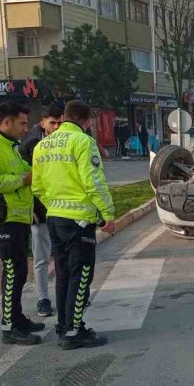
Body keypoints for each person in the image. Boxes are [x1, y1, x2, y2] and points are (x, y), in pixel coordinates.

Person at [32, 101, 116, 349]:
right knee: (81, 276)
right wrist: (107, 213)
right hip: (79, 220)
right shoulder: (83, 142)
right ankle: (74, 331)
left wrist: (54, 206)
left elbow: (37, 187)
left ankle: (64, 325)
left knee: (64, 274)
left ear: (65, 117)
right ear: (86, 120)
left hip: (55, 218)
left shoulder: (42, 145)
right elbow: (93, 182)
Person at [0, 102, 45, 345]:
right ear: (7, 122)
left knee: (20, 271)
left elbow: (28, 174)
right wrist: (21, 180)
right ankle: (9, 326)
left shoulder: (12, 147)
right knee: (13, 271)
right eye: (22, 123)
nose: (26, 128)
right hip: (2, 218)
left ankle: (16, 318)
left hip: (19, 217)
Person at [19, 104, 63, 318]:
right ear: (43, 122)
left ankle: (69, 295)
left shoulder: (68, 139)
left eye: (60, 123)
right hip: (40, 210)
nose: (56, 127)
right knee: (41, 258)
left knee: (64, 255)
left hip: (63, 208)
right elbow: (29, 179)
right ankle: (43, 299)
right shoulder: (31, 144)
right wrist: (33, 209)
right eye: (52, 123)